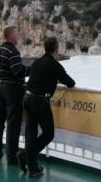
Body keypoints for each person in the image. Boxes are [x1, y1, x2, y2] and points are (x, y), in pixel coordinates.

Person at [17, 37, 75, 178]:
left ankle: (32, 167)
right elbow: (70, 83)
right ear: (56, 50)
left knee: (31, 135)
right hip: (40, 102)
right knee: (48, 133)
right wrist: (57, 78)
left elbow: (37, 77)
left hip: (27, 98)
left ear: (45, 48)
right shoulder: (54, 65)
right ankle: (25, 156)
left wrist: (52, 78)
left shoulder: (37, 62)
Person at [0, 26, 30, 165]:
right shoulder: (12, 51)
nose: (18, 37)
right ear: (11, 36)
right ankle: (12, 157)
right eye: (17, 34)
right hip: (13, 90)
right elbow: (18, 71)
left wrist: (1, 84)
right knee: (13, 125)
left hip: (0, 88)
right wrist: (32, 70)